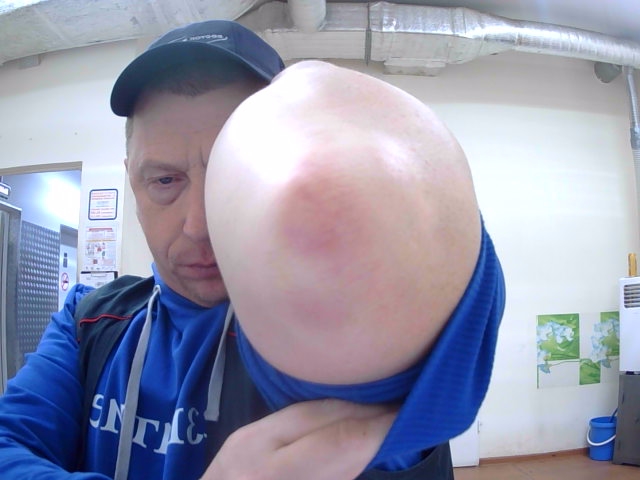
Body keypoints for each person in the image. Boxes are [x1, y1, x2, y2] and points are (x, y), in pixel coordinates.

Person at [0, 19, 505, 480]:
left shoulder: (314, 340)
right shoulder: (89, 320)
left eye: (229, 175)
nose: (199, 225)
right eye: (165, 180)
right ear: (131, 179)